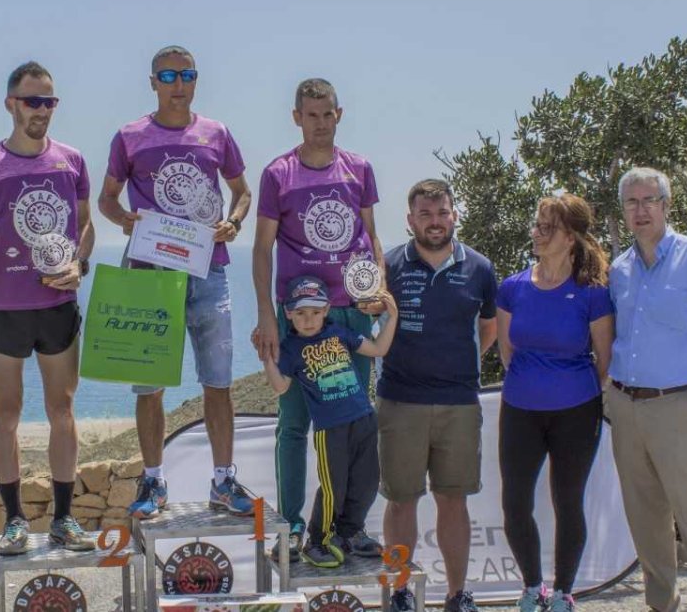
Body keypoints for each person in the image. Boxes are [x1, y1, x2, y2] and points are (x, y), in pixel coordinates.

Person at [0, 61, 96, 554]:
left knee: (61, 409)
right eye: (32, 101)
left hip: (57, 305)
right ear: (11, 104)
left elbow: (86, 227)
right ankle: (13, 521)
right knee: (6, 412)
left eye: (49, 102)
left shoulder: (71, 161)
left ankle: (65, 520)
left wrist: (80, 265)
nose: (41, 111)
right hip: (3, 307)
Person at [98, 45, 254, 518]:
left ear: (196, 79)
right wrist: (126, 220)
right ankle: (153, 482)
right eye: (168, 75)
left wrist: (234, 222)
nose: (178, 83)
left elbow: (242, 191)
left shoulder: (216, 133)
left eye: (186, 74)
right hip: (149, 274)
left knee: (219, 382)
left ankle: (224, 481)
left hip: (209, 269)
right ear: (153, 82)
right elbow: (106, 199)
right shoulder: (130, 136)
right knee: (150, 387)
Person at [251, 77, 383, 561]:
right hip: (299, 317)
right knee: (294, 423)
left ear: (339, 114)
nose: (321, 123)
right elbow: (262, 248)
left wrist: (378, 292)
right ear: (296, 117)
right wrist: (268, 313)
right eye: (312, 115)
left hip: (350, 312)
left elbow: (371, 236)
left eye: (328, 114)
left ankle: (349, 528)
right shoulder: (277, 174)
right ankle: (289, 527)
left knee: (353, 422)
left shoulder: (359, 169)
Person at [606, 167, 687, 612]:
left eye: (649, 200)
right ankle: (662, 606)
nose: (640, 210)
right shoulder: (619, 269)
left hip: (682, 405)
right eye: (632, 202)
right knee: (647, 522)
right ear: (623, 210)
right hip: (627, 407)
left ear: (666, 205)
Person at [378, 179, 497, 612]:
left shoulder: (480, 268)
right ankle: (400, 591)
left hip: (459, 405)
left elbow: (488, 328)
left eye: (442, 212)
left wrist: (456, 366)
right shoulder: (389, 266)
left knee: (454, 500)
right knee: (400, 502)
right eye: (425, 214)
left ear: (454, 215)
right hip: (399, 401)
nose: (435, 222)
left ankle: (457, 595)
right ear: (410, 220)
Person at [495, 195, 614, 612]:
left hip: (577, 411)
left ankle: (564, 592)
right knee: (515, 503)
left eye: (547, 228)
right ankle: (532, 588)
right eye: (537, 225)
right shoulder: (512, 287)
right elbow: (507, 352)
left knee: (568, 500)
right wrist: (535, 382)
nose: (537, 233)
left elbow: (605, 358)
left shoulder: (592, 293)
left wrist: (570, 388)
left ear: (570, 237)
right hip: (520, 410)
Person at [260, 276, 397, 567]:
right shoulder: (291, 348)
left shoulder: (339, 333)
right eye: (300, 313)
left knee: (367, 481)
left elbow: (378, 350)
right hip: (330, 429)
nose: (308, 320)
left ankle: (349, 534)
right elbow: (281, 387)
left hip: (363, 419)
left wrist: (392, 316)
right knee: (334, 486)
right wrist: (266, 358)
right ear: (288, 314)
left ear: (326, 310)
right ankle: (317, 540)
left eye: (314, 312)